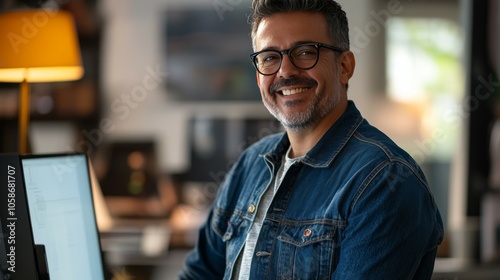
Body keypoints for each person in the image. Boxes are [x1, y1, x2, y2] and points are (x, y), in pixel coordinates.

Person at [179, 0, 444, 279]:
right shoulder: (249, 165)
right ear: (258, 75)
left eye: (305, 52)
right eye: (269, 57)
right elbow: (199, 273)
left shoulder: (385, 181)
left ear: (344, 66)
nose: (285, 71)